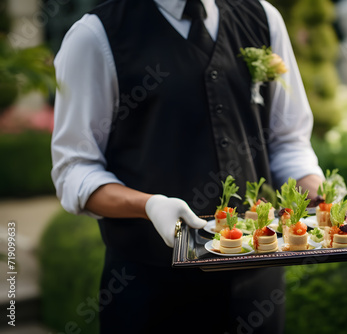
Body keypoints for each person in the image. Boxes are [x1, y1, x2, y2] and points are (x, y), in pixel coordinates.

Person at [51, 0, 324, 332]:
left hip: (258, 287)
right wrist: (149, 205)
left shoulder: (263, 17)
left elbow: (287, 138)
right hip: (151, 290)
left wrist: (309, 185)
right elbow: (74, 170)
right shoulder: (94, 36)